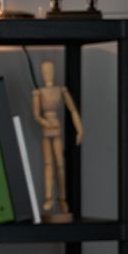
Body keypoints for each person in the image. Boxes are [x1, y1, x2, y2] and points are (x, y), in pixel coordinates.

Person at [32, 59, 83, 223]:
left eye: (50, 70)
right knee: (48, 164)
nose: (48, 74)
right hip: (47, 128)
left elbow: (73, 109)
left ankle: (62, 198)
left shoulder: (61, 90)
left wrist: (80, 129)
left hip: (57, 128)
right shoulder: (38, 92)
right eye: (45, 71)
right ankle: (49, 198)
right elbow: (36, 114)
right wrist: (44, 121)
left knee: (60, 164)